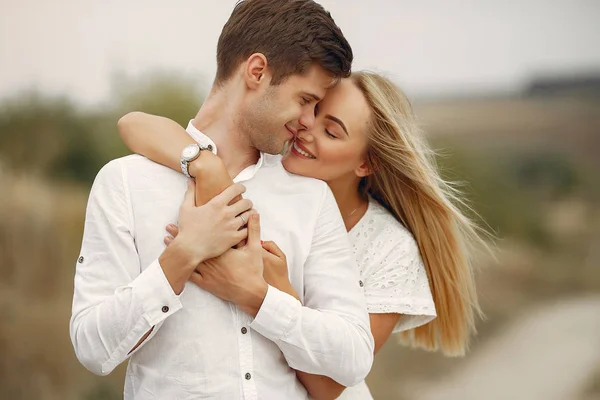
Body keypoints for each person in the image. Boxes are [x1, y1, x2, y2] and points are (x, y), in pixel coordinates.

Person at [70, 1, 376, 399]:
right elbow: (92, 349)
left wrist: (259, 298)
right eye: (305, 100)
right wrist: (181, 257)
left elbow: (354, 357)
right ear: (256, 71)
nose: (307, 121)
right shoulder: (125, 183)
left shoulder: (310, 197)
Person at [117, 72, 486, 399]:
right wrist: (207, 166)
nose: (306, 127)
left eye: (331, 130)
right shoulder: (263, 168)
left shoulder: (388, 248)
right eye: (311, 109)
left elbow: (328, 388)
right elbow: (134, 123)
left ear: (365, 162)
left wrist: (279, 290)